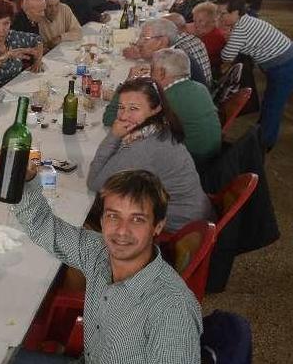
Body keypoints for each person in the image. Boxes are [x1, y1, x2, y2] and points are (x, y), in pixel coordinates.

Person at [1, 169, 201, 364]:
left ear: (158, 226)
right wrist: (27, 177)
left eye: (137, 219)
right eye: (113, 216)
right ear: (103, 219)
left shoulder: (171, 307)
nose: (122, 231)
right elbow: (44, 226)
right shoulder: (98, 252)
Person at [88, 77, 215, 231]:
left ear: (155, 108)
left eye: (134, 108)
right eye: (121, 107)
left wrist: (113, 136)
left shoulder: (144, 147)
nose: (123, 116)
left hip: (180, 226)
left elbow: (95, 183)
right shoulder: (160, 127)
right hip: (195, 210)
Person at [216, 0, 293, 149]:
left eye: (223, 13)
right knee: (270, 102)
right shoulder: (246, 19)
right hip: (287, 57)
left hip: (285, 64)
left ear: (236, 12)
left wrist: (227, 40)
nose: (220, 17)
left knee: (273, 105)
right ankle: (261, 132)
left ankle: (263, 144)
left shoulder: (240, 29)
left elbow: (227, 56)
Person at [104, 49, 221, 163]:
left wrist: (128, 83)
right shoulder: (200, 87)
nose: (149, 74)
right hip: (212, 153)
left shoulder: (165, 100)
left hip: (190, 159)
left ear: (161, 73)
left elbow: (111, 119)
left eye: (152, 69)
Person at [123, 18, 211, 88]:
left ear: (162, 41)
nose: (138, 42)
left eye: (145, 38)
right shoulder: (173, 55)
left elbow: (148, 101)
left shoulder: (172, 65)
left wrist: (124, 86)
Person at [189, 1, 227, 75]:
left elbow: (196, 58)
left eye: (200, 21)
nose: (196, 24)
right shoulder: (206, 33)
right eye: (194, 20)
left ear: (212, 20)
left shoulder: (215, 37)